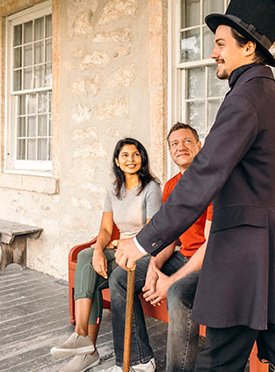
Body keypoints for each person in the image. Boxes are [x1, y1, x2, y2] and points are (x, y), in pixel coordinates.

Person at [115, 0, 275, 372]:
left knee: (221, 360)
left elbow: (203, 176)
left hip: (244, 252)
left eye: (221, 43)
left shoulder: (244, 99)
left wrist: (143, 242)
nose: (212, 52)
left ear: (249, 47)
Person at [107, 122, 213, 372]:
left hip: (208, 263)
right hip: (182, 256)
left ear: (199, 146)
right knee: (121, 276)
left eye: (187, 141)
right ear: (170, 152)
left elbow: (212, 245)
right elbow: (171, 237)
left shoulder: (211, 181)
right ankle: (140, 360)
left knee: (177, 293)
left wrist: (170, 281)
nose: (181, 147)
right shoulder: (171, 185)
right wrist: (154, 264)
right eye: (174, 143)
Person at [50, 138, 161, 372]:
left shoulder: (151, 189)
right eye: (125, 155)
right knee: (86, 260)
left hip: (143, 252)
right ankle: (83, 339)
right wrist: (98, 249)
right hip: (119, 249)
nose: (130, 159)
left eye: (135, 154)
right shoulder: (113, 190)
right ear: (117, 161)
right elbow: (105, 230)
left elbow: (153, 231)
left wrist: (120, 243)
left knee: (93, 275)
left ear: (142, 159)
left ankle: (87, 348)